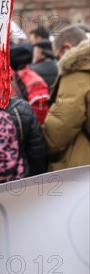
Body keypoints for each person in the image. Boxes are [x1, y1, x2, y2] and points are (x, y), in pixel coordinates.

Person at [43, 25, 90, 171]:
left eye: (58, 57)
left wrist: (39, 146)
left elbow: (59, 129)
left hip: (81, 169)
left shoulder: (76, 73)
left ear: (67, 48)